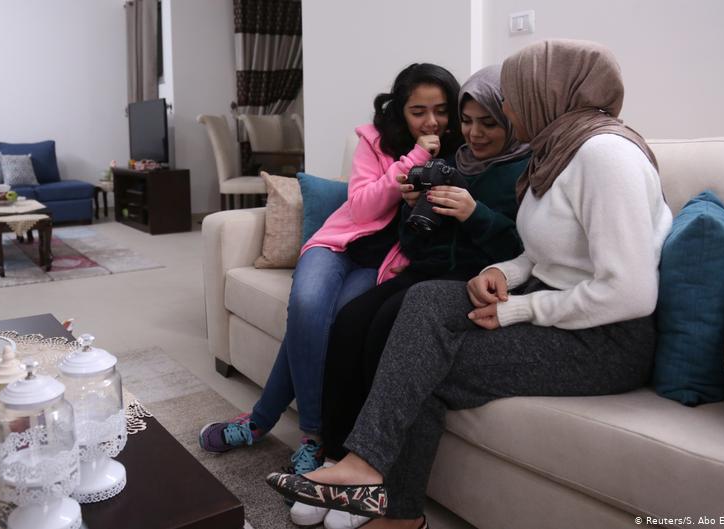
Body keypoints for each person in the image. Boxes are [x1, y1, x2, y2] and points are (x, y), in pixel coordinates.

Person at [266, 39, 673, 529]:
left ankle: (379, 492)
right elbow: (543, 252)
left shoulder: (606, 154)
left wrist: (520, 309)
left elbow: (630, 293)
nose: (508, 110)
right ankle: (369, 478)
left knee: (423, 362)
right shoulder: (561, 151)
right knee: (420, 304)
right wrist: (502, 273)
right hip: (556, 305)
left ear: (548, 93)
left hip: (605, 340)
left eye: (515, 98)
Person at [198, 63, 464, 477]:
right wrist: (413, 158)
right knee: (306, 304)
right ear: (400, 110)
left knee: (330, 322)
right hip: (338, 244)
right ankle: (309, 434)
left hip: (380, 262)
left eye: (442, 110)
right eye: (419, 111)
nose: (432, 121)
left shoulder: (458, 153)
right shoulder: (373, 139)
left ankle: (264, 423)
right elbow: (362, 206)